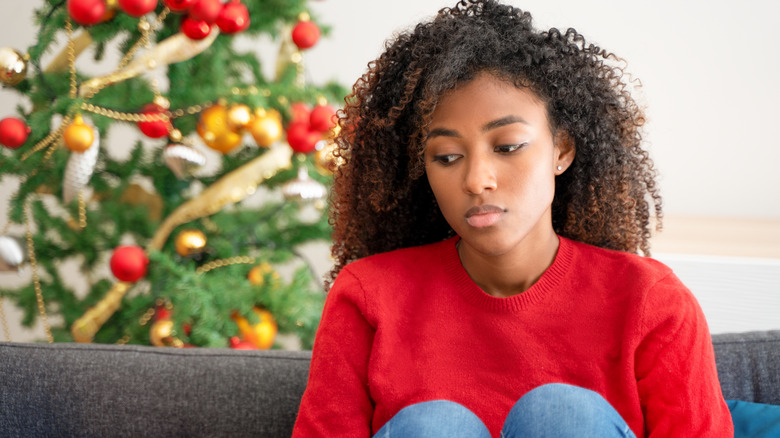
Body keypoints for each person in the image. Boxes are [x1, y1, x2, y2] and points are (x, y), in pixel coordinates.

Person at [292, 0, 733, 436]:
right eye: (446, 157)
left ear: (561, 149)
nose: (476, 179)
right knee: (433, 427)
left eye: (506, 147)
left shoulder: (651, 303)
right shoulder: (368, 298)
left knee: (561, 415)